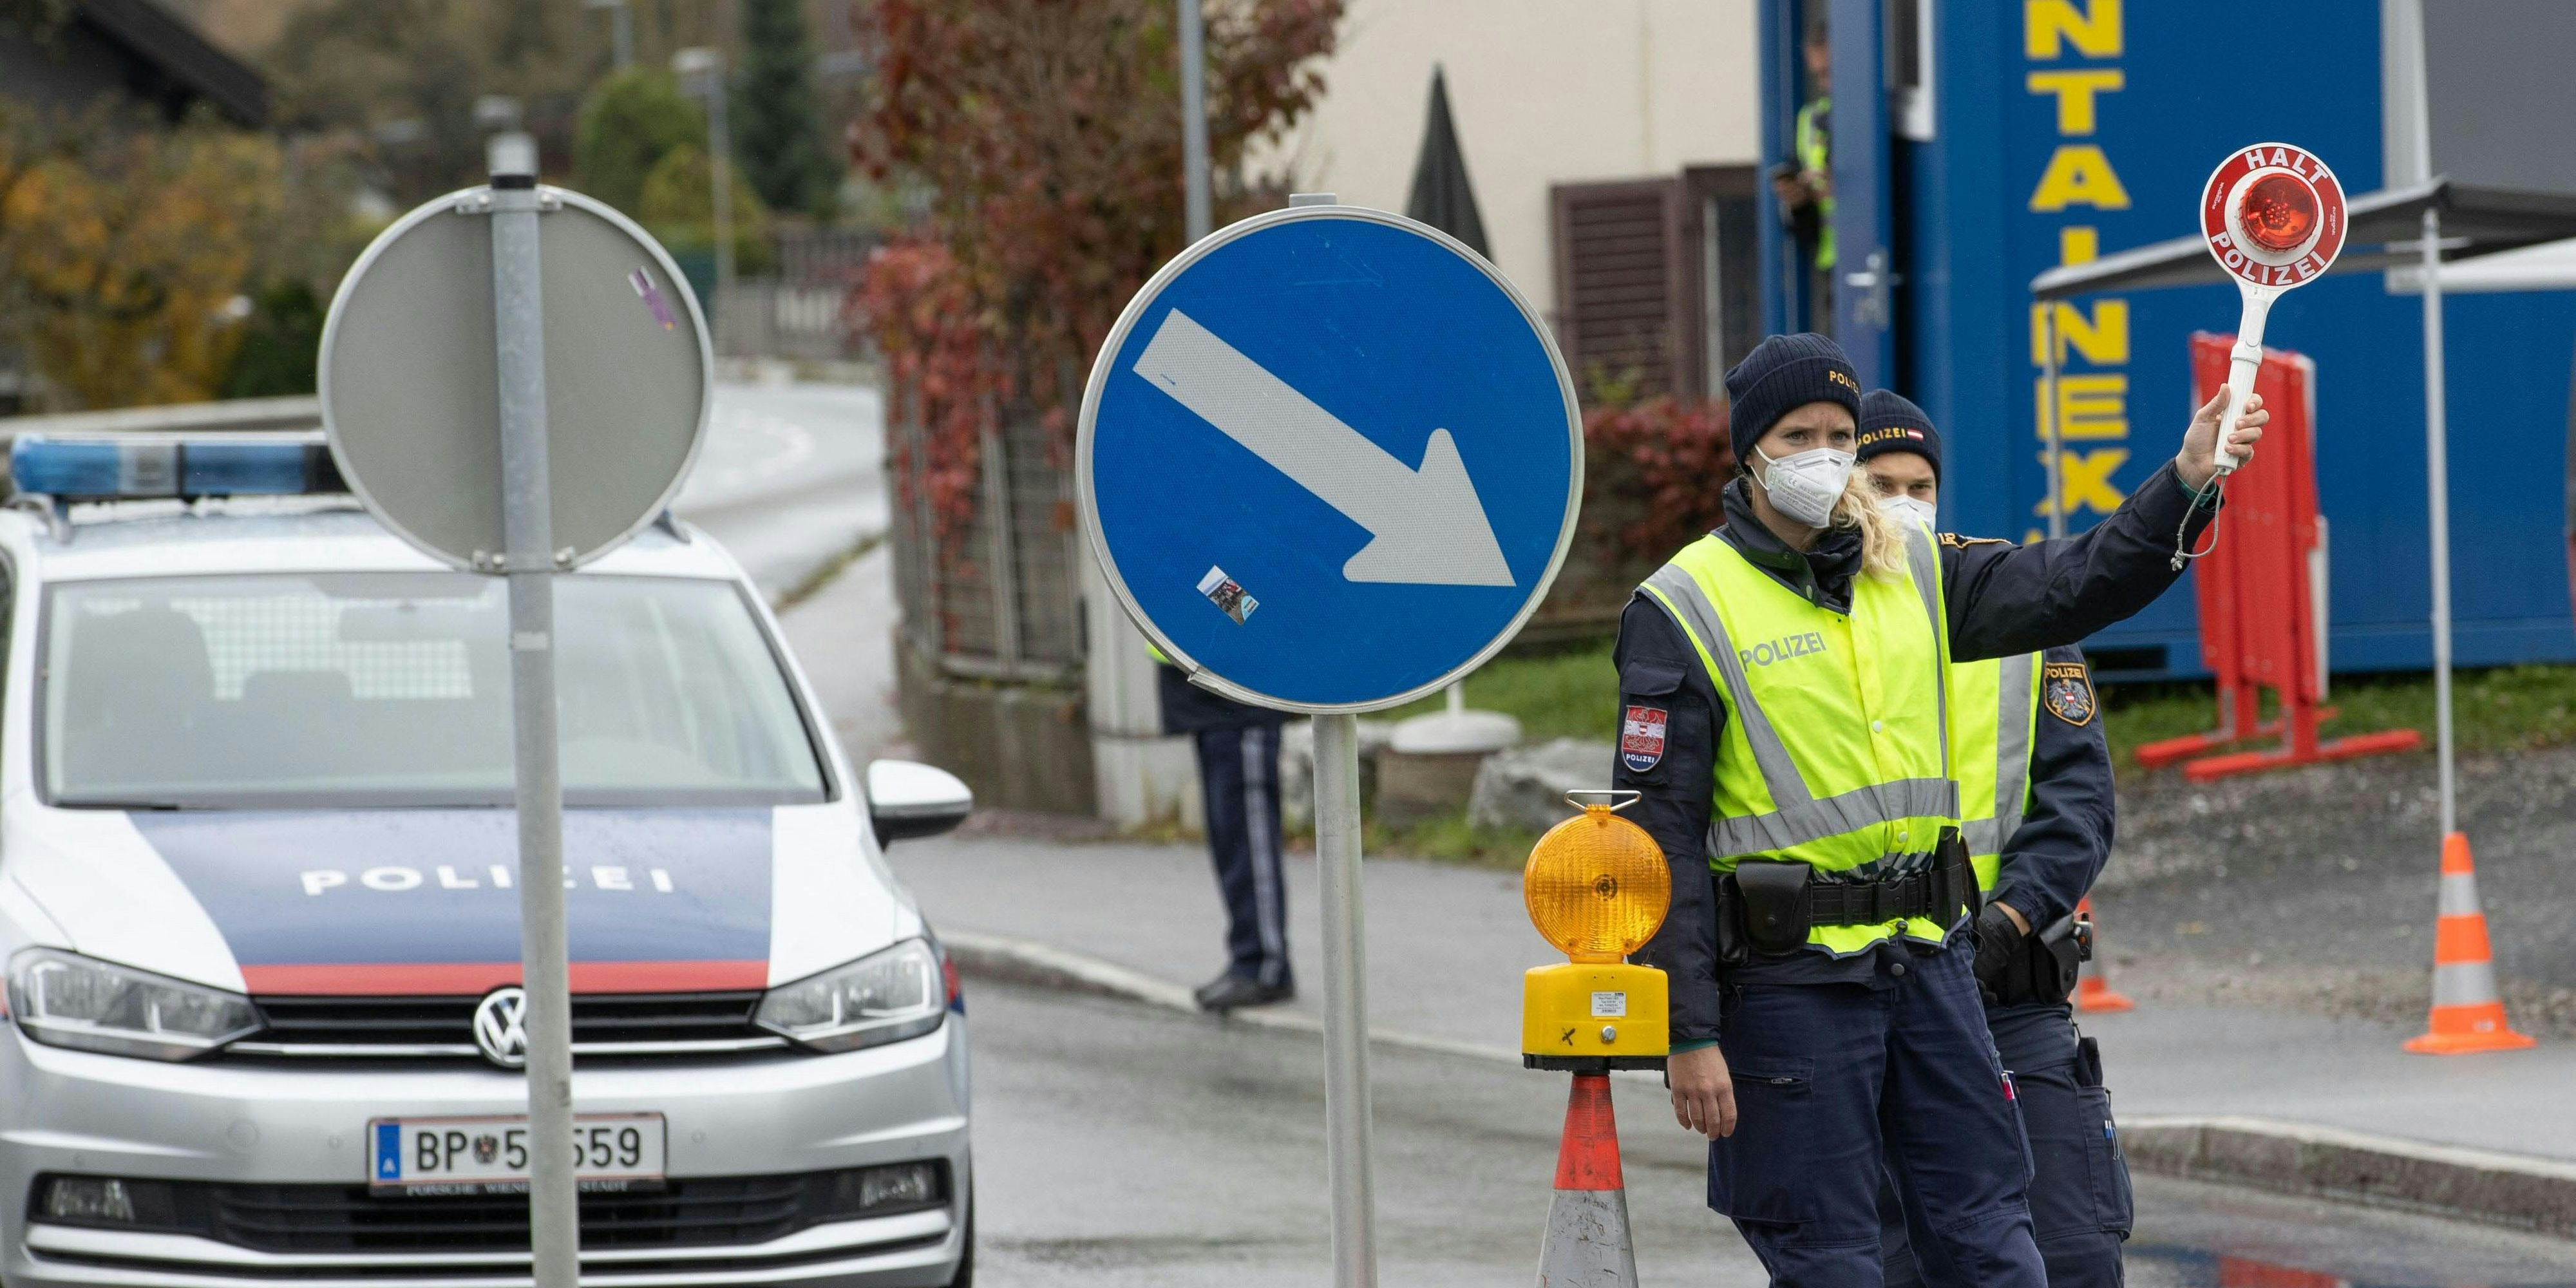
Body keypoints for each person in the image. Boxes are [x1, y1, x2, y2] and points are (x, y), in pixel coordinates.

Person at [1613, 332, 2261, 1285]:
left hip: (1929, 967)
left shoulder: (1913, 568)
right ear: (1749, 451)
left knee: (1996, 1244)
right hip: (1790, 989)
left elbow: (2076, 580)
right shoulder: (1685, 604)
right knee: (1835, 1261)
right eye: (1797, 436)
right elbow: (1655, 837)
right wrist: (1688, 1030)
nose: (1824, 456)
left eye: (1839, 434)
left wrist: (2186, 481)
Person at [1857, 390, 2132, 1287]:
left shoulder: (2009, 610)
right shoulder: (1803, 625)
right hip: (1866, 1001)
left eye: (1921, 486)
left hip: (2008, 997)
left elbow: (2078, 804)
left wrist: (2006, 923)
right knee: (1899, 1264)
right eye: (1881, 484)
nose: (1904, 503)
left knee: (2072, 1256)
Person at [1157, 655, 1293, 1011]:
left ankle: (1263, 965)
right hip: (1206, 686)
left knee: (1248, 837)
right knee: (1232, 840)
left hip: (1237, 687)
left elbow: (1248, 617)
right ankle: (1252, 958)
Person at [1771, 15, 1834, 325]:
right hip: (1835, 271)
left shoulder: (1876, 113)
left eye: (1830, 73)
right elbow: (1805, 232)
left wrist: (1843, 190)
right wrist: (1798, 202)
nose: (1824, 85)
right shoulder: (1810, 119)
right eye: (1818, 75)